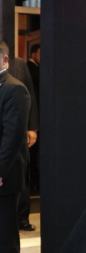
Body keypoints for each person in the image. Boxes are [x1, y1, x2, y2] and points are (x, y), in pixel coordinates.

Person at [0, 41, 31, 253]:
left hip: (4, 178)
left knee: (5, 240)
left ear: (5, 59)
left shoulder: (14, 88)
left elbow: (11, 137)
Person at [7, 54, 38, 232]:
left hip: (19, 129)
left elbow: (30, 94)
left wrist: (32, 127)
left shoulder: (18, 63)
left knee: (20, 173)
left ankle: (22, 218)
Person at [26, 44, 41, 195]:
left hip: (36, 118)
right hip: (35, 118)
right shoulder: (30, 68)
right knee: (33, 153)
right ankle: (33, 182)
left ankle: (34, 182)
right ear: (33, 54)